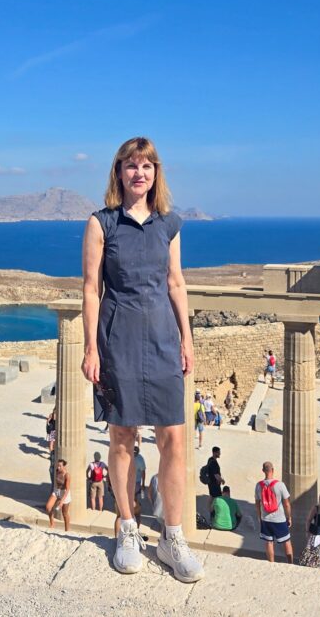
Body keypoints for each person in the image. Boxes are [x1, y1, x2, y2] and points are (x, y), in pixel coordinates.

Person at [81, 136, 203, 582]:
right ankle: (127, 528)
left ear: (156, 174)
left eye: (147, 166)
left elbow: (176, 284)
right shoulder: (101, 224)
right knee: (122, 436)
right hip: (118, 338)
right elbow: (91, 289)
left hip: (163, 339)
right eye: (132, 166)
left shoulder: (169, 224)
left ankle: (173, 537)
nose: (139, 173)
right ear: (119, 173)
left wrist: (187, 340)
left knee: (172, 436)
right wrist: (91, 346)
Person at [255, 461, 293, 563]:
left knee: (269, 542)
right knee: (286, 541)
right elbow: (287, 504)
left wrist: (259, 517)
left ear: (263, 471)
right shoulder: (280, 485)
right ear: (273, 470)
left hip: (265, 518)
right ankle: (290, 563)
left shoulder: (259, 485)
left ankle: (271, 563)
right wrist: (289, 517)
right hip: (279, 518)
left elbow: (257, 504)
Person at [46, 459, 72, 531]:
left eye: (60, 466)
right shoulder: (57, 471)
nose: (58, 467)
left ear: (64, 466)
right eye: (58, 466)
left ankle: (67, 530)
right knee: (48, 507)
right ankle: (52, 524)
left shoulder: (67, 475)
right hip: (57, 490)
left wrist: (61, 501)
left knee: (65, 513)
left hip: (65, 493)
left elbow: (67, 490)